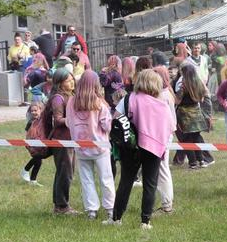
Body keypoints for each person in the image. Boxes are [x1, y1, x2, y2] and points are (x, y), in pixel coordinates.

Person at [105, 69, 175, 229]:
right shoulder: (162, 104)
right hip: (154, 148)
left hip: (131, 147)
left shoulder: (129, 99)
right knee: (150, 184)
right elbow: (170, 127)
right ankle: (145, 221)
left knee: (126, 182)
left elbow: (115, 120)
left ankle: (116, 218)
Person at [66, 70, 115, 220]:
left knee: (86, 179)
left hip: (80, 147)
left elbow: (68, 123)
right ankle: (111, 209)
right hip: (100, 146)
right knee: (106, 178)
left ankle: (91, 210)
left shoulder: (71, 102)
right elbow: (107, 126)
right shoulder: (99, 103)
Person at [49, 68, 78, 214]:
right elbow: (57, 119)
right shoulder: (58, 98)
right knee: (65, 173)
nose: (72, 81)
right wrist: (74, 120)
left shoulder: (70, 95)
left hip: (70, 140)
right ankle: (62, 206)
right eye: (68, 80)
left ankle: (59, 205)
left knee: (64, 172)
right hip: (61, 140)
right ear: (60, 83)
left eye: (72, 78)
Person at [175, 63, 214, 169]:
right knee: (196, 137)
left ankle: (192, 163)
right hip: (197, 113)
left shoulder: (183, 85)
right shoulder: (199, 83)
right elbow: (204, 97)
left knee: (187, 139)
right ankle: (201, 160)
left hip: (185, 115)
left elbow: (177, 101)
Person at [153, 66, 176, 214]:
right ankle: (166, 202)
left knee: (162, 169)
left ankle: (167, 204)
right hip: (165, 133)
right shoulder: (167, 92)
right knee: (161, 168)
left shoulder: (162, 95)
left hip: (162, 135)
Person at [20, 101, 49, 186]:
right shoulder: (31, 122)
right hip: (33, 144)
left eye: (35, 110)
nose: (33, 112)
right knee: (37, 158)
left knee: (38, 161)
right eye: (32, 111)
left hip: (40, 143)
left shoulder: (43, 120)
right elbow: (28, 133)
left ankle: (33, 180)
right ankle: (25, 169)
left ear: (41, 110)